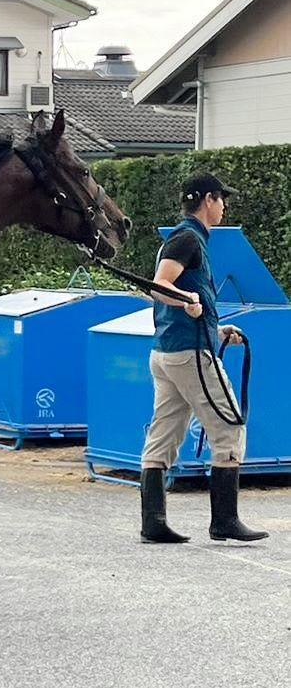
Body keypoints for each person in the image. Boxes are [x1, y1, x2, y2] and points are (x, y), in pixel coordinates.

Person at [139, 172, 268, 544]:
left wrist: (217, 329)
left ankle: (153, 522)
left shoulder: (181, 237)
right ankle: (224, 521)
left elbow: (178, 291)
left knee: (164, 433)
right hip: (190, 354)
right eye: (222, 198)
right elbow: (160, 286)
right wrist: (188, 303)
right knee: (230, 426)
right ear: (208, 200)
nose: (224, 205)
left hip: (167, 352)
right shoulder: (188, 239)